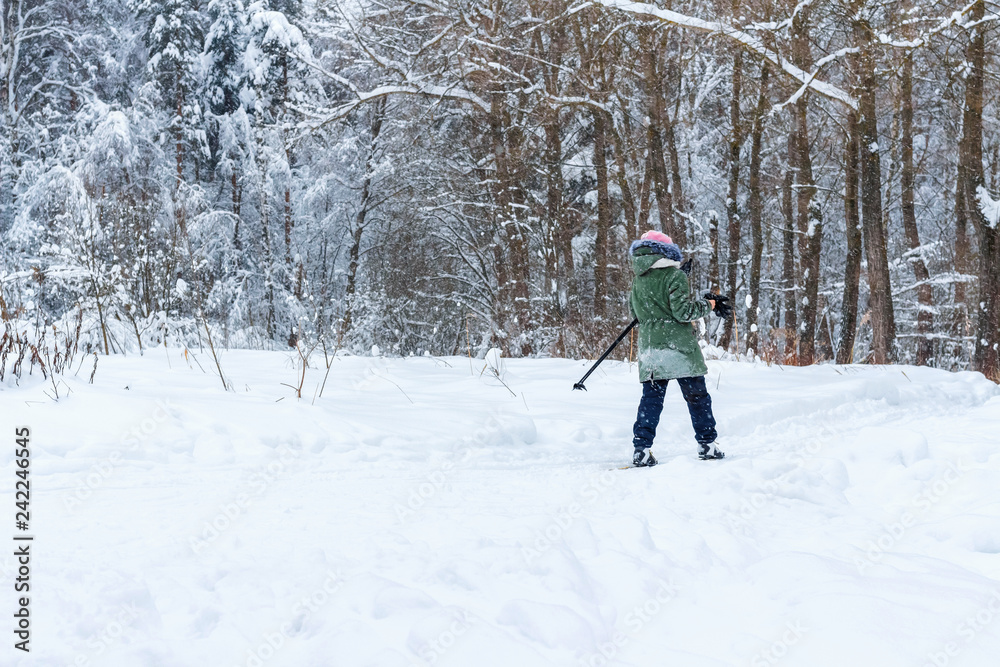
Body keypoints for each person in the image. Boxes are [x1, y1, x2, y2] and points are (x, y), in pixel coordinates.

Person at [628, 230, 728, 466]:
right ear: (666, 252)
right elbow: (683, 312)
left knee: (651, 401)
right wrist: (709, 304)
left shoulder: (638, 278)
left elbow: (635, 313)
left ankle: (641, 449)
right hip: (679, 348)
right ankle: (707, 445)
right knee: (698, 398)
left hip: (651, 348)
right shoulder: (674, 276)